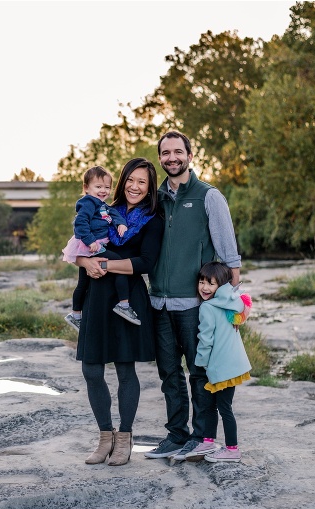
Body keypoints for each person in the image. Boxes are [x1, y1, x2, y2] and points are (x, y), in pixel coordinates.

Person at [143, 130, 243, 461]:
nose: (172, 157)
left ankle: (203, 437)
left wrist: (228, 309)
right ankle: (176, 436)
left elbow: (230, 261)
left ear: (189, 155)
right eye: (165, 153)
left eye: (177, 152)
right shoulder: (154, 200)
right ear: (159, 158)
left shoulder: (208, 196)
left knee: (199, 372)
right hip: (159, 302)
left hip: (196, 306)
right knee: (169, 373)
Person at [74, 158, 164, 466]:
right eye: (131, 180)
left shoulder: (152, 219)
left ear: (150, 187)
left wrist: (105, 264)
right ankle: (104, 437)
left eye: (143, 182)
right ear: (122, 180)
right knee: (91, 370)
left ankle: (124, 438)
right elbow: (79, 244)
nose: (135, 186)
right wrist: (84, 262)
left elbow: (146, 263)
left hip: (126, 296)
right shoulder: (102, 209)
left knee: (126, 370)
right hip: (97, 295)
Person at [180, 261, 252, 463]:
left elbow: (206, 339)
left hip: (220, 365)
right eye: (202, 282)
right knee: (212, 404)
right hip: (231, 363)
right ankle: (208, 441)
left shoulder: (208, 307)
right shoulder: (233, 301)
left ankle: (232, 450)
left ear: (220, 286)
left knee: (223, 407)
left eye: (210, 284)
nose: (204, 288)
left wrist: (199, 362)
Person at [62, 166, 140, 331]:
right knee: (118, 264)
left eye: (107, 187)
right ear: (86, 188)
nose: (103, 191)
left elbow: (113, 213)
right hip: (90, 245)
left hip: (93, 245)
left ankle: (75, 315)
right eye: (98, 187)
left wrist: (121, 224)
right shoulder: (89, 203)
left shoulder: (102, 205)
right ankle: (124, 305)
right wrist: (90, 241)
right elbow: (80, 223)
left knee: (83, 282)